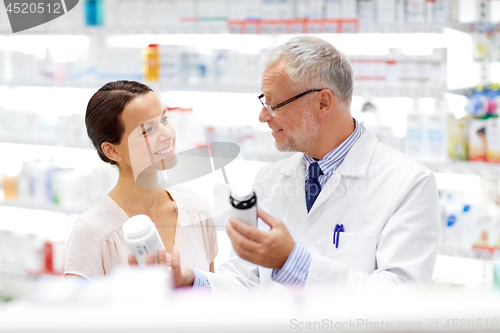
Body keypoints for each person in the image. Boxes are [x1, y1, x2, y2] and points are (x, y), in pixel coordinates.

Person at [169, 36, 440, 291]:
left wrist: (294, 263)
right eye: (264, 101)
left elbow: (401, 295)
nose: (263, 116)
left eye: (275, 104)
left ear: (323, 103)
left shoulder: (410, 184)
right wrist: (192, 281)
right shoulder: (270, 179)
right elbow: (247, 280)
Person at [64, 80, 218, 281]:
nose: (168, 134)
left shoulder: (198, 213)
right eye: (148, 130)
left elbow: (214, 297)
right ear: (112, 150)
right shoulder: (93, 231)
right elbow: (77, 312)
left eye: (164, 120)